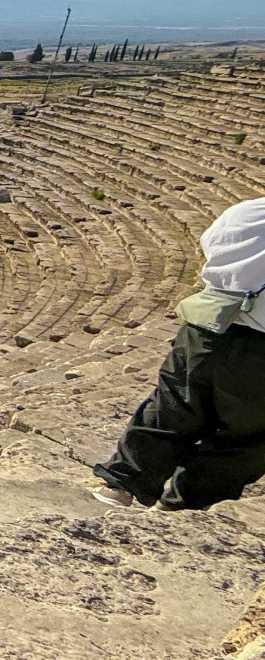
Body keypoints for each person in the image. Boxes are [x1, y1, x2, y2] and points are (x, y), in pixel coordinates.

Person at [93, 197, 265, 511]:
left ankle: (122, 484)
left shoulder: (248, 211)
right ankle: (187, 503)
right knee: (246, 435)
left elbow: (212, 243)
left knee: (172, 403)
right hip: (259, 346)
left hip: (205, 325)